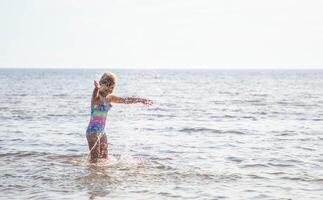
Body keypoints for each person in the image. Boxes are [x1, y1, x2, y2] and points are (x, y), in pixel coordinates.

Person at [86, 72, 153, 163]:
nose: (109, 89)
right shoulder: (96, 98)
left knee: (104, 157)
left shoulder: (110, 98)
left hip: (102, 131)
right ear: (101, 84)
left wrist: (140, 100)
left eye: (112, 87)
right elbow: (95, 93)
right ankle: (92, 174)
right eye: (107, 85)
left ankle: (101, 175)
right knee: (95, 158)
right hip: (92, 131)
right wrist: (96, 88)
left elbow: (125, 100)